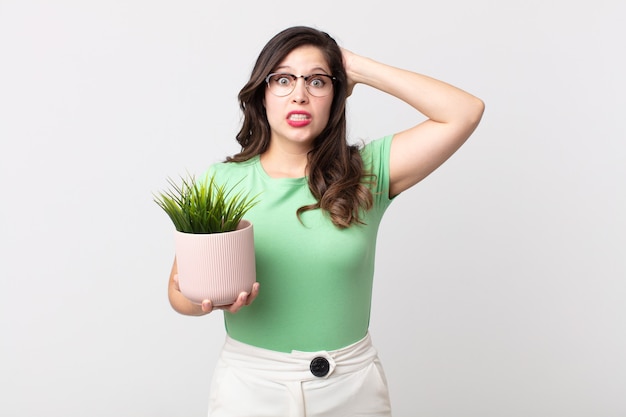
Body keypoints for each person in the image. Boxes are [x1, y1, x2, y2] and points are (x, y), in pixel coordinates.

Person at [167, 26, 484, 417]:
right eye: (282, 79)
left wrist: (356, 67)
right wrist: (208, 301)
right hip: (250, 388)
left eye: (317, 81)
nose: (299, 94)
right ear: (262, 93)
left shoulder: (367, 172)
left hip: (352, 388)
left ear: (337, 95)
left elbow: (464, 112)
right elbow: (179, 293)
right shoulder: (221, 181)